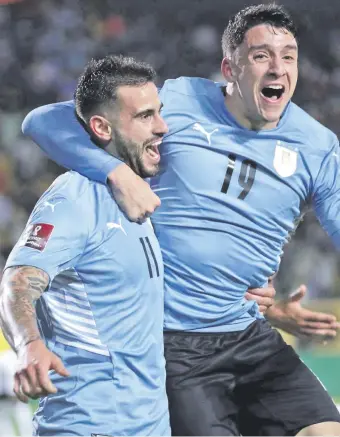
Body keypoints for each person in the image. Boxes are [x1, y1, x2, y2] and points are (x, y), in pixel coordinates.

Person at [22, 4, 340, 436]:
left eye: (288, 56)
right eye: (262, 55)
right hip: (175, 344)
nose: (278, 68)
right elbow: (43, 121)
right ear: (230, 66)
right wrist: (115, 173)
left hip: (248, 332)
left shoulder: (319, 147)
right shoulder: (179, 102)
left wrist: (275, 308)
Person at [0, 54, 171, 436]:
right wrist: (29, 345)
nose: (163, 127)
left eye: (158, 113)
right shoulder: (75, 198)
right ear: (101, 127)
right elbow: (17, 282)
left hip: (147, 426)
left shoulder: (135, 195)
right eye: (145, 117)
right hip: (88, 424)